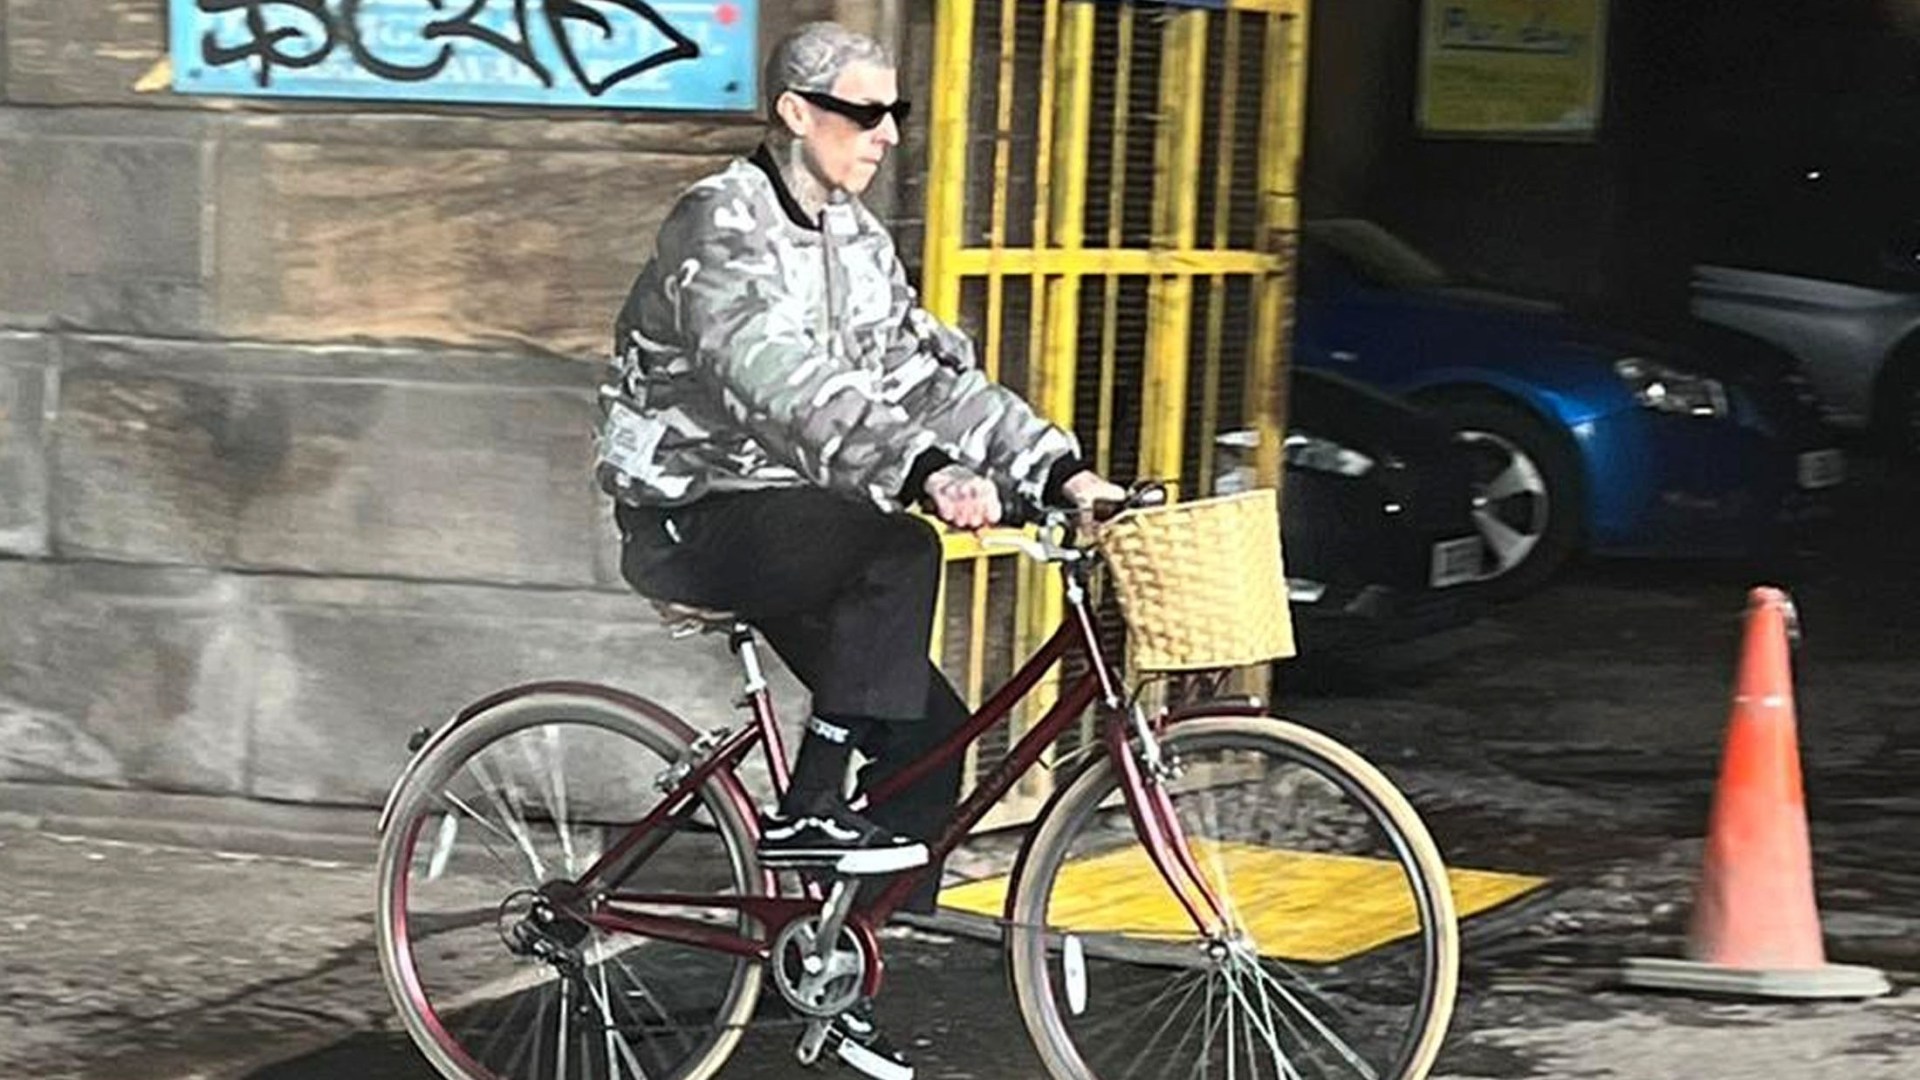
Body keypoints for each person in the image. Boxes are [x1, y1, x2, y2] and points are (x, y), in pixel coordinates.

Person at [594, 20, 1124, 1076]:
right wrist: (921, 471)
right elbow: (778, 377)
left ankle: (825, 972)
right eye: (864, 113)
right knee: (897, 548)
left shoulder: (857, 240)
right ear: (797, 113)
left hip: (801, 520)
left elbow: (931, 381)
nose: (886, 135)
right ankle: (812, 807)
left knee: (930, 752)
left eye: (896, 114)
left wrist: (1060, 471)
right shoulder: (719, 225)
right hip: (693, 515)